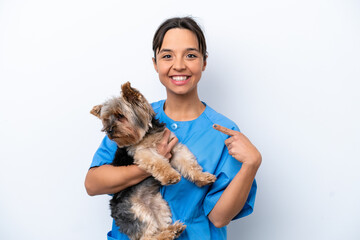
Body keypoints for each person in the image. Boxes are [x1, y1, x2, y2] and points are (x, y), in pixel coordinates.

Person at [85, 16, 262, 240]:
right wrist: (148, 166)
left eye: (190, 55)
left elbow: (219, 218)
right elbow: (93, 184)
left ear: (204, 62)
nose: (179, 65)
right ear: (155, 63)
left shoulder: (224, 131)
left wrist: (251, 164)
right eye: (167, 56)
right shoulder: (133, 120)